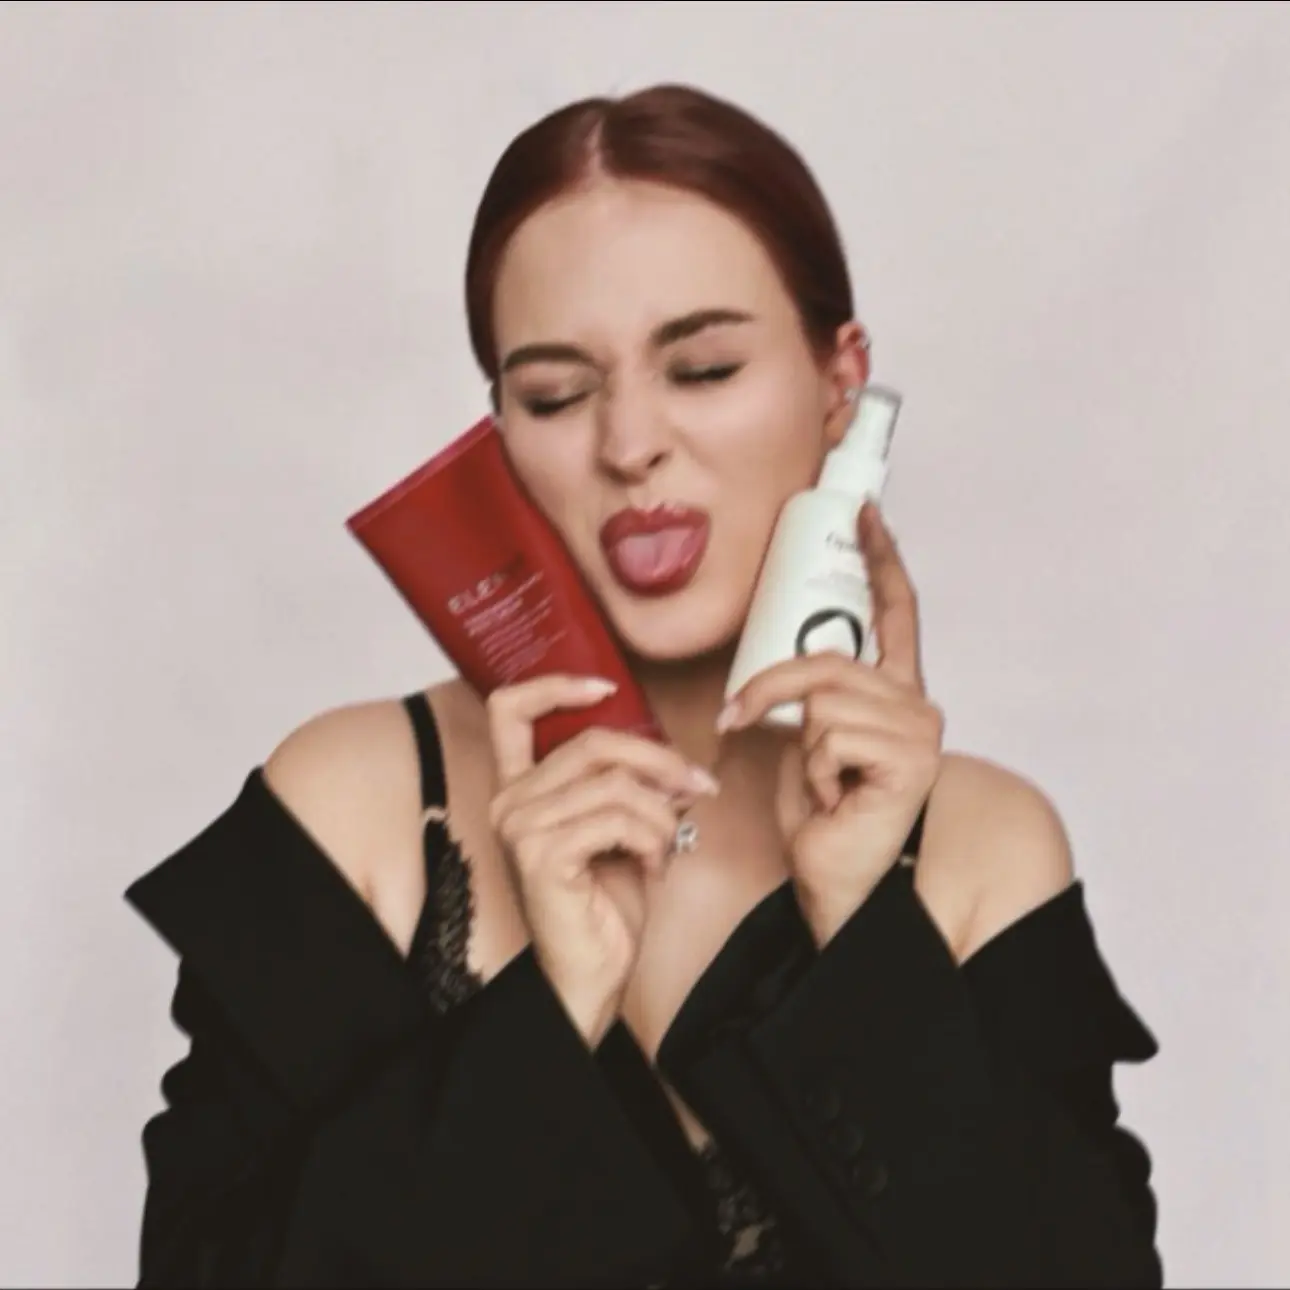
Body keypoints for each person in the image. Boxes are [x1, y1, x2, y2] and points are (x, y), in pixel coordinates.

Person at [125, 84, 1163, 1288]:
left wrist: (862, 932)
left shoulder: (985, 849)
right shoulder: (356, 808)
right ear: (499, 431)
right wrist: (554, 1006)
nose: (629, 446)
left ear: (841, 384)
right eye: (556, 395)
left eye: (704, 368)